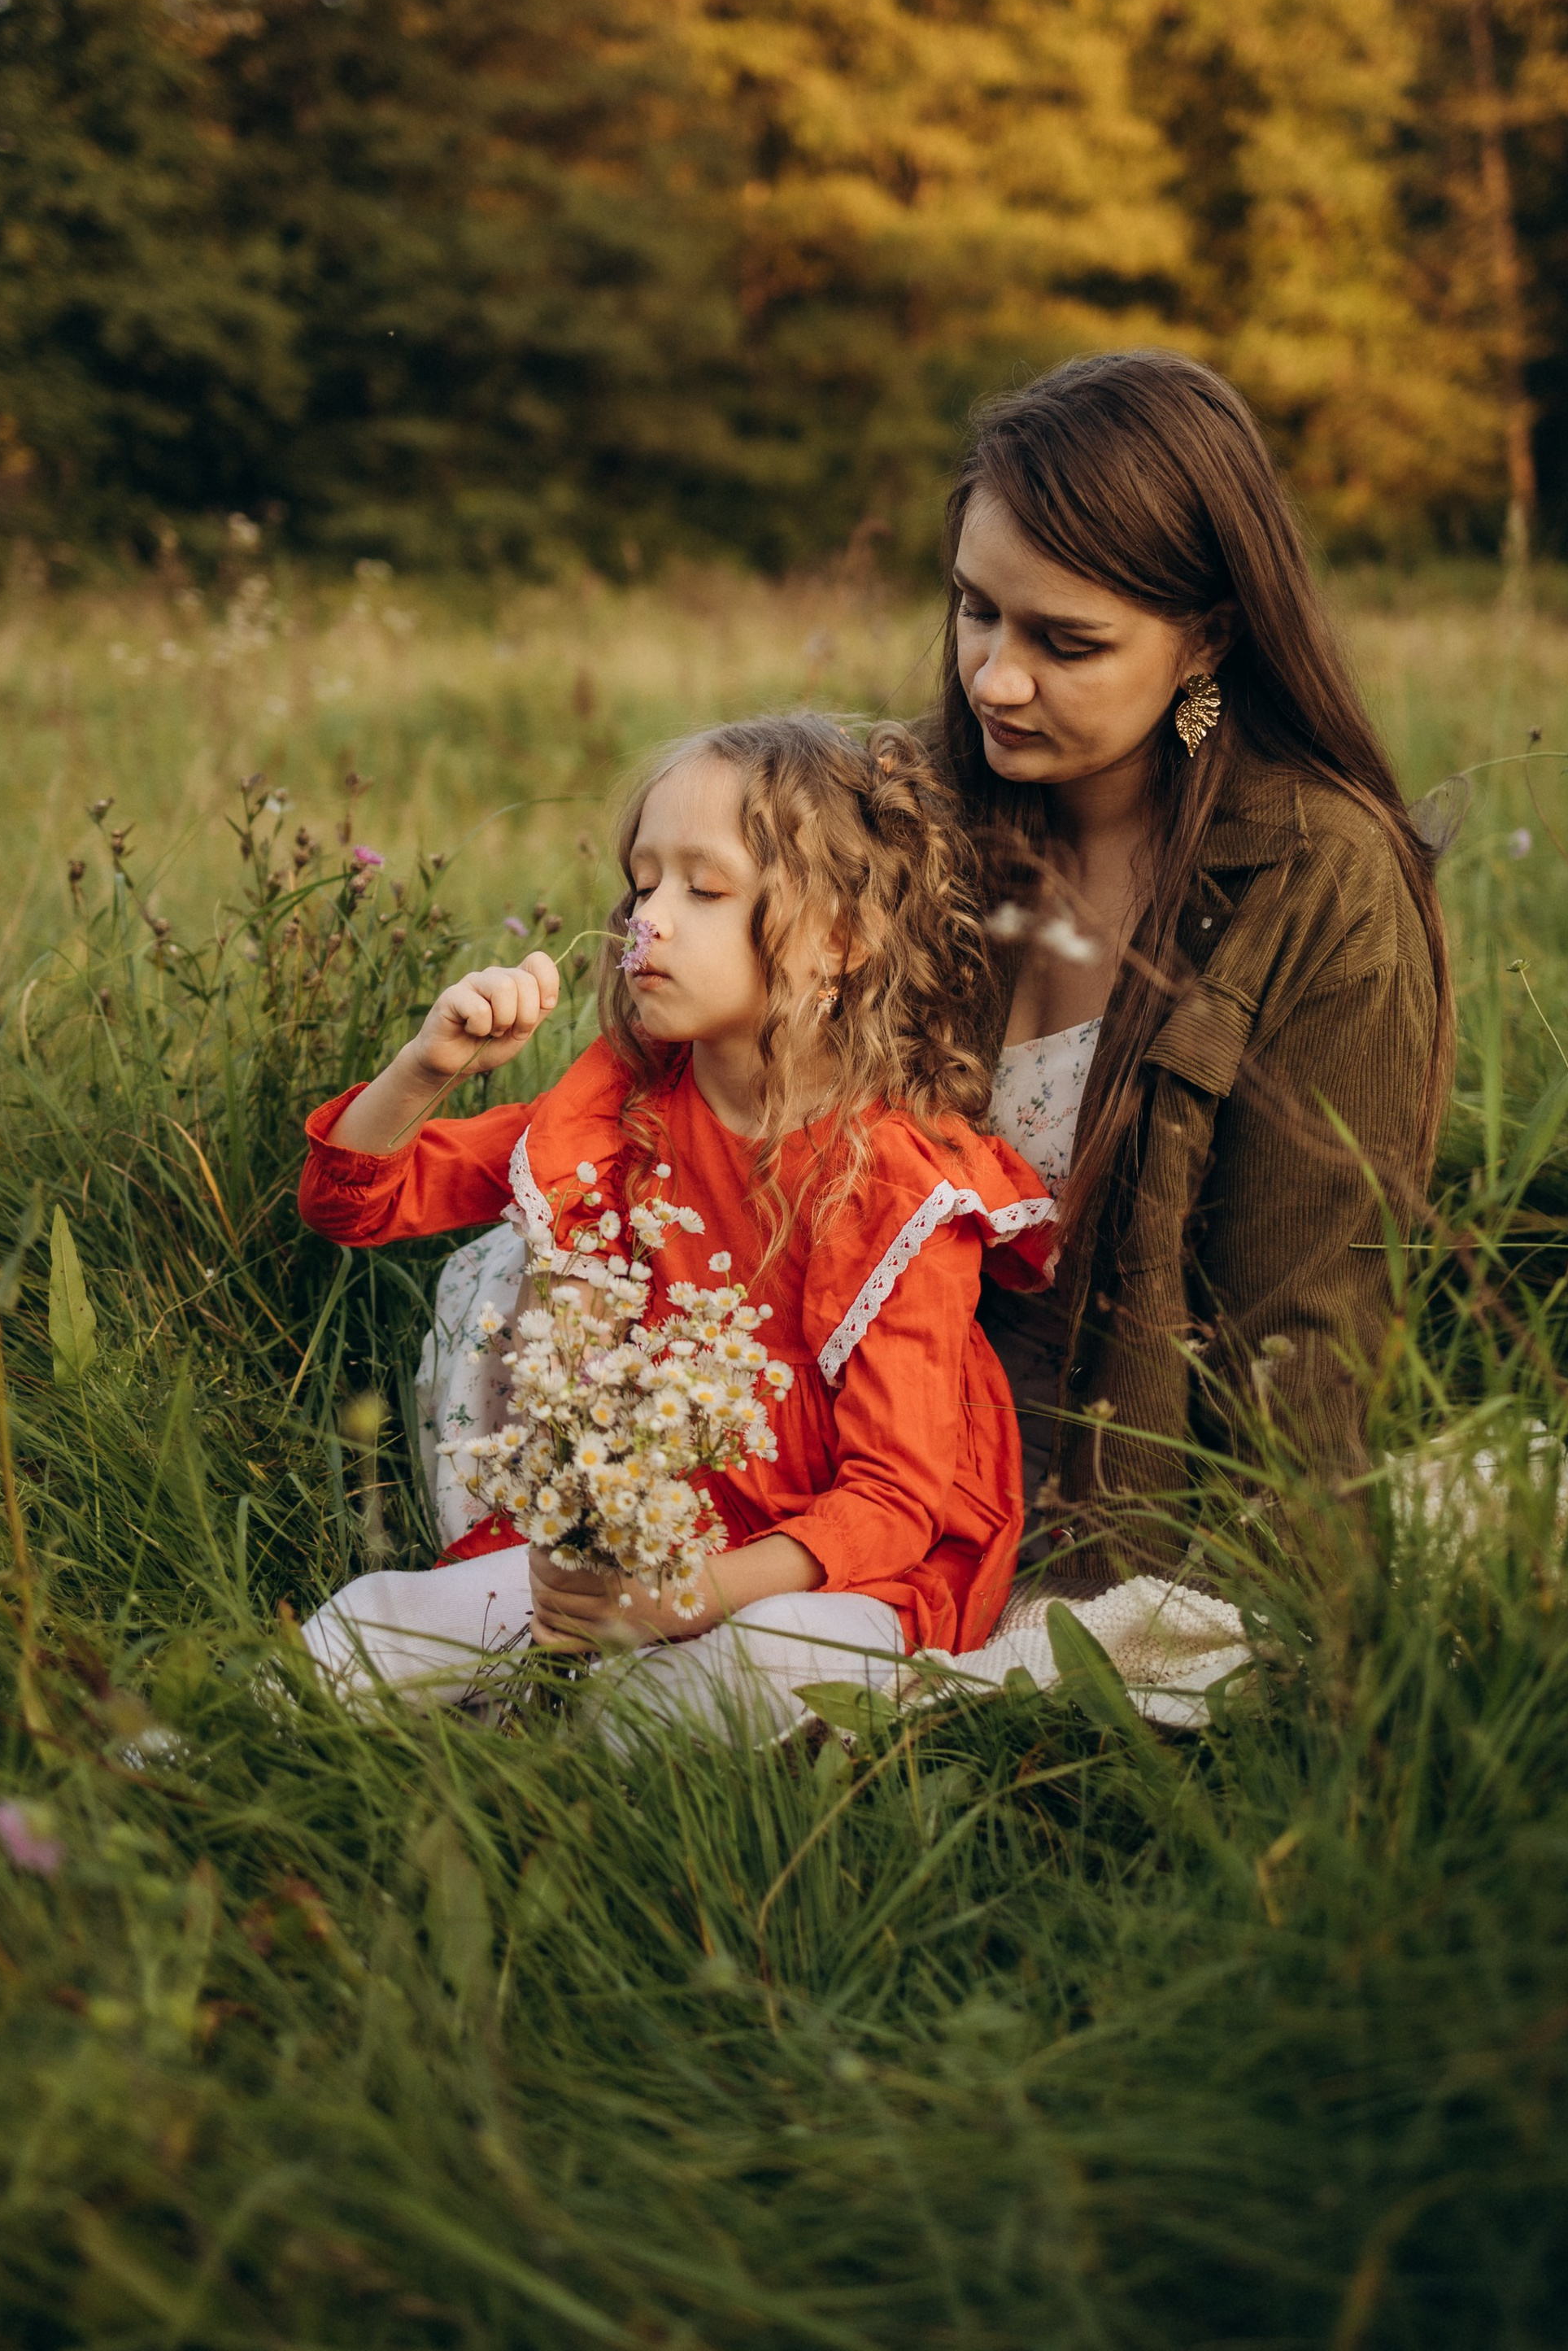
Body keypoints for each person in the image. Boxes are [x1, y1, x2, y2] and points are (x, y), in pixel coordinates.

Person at [297, 713, 1052, 1733]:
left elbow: (890, 1505)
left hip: (835, 1572)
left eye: (703, 889)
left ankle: (581, 1773)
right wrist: (427, 1069)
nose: (647, 922)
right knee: (385, 1623)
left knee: (769, 1666)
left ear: (840, 940)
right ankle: (223, 1734)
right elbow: (355, 1202)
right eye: (642, 884)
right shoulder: (623, 1112)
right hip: (645, 1535)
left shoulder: (903, 1187)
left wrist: (685, 1601)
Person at [945, 351, 1452, 1580]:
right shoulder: (914, 818)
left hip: (1117, 1492)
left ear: (1207, 640)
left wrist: (1265, 1584)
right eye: (975, 611)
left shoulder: (1319, 880)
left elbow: (1305, 1329)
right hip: (868, 1452)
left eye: (1067, 643)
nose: (996, 680)